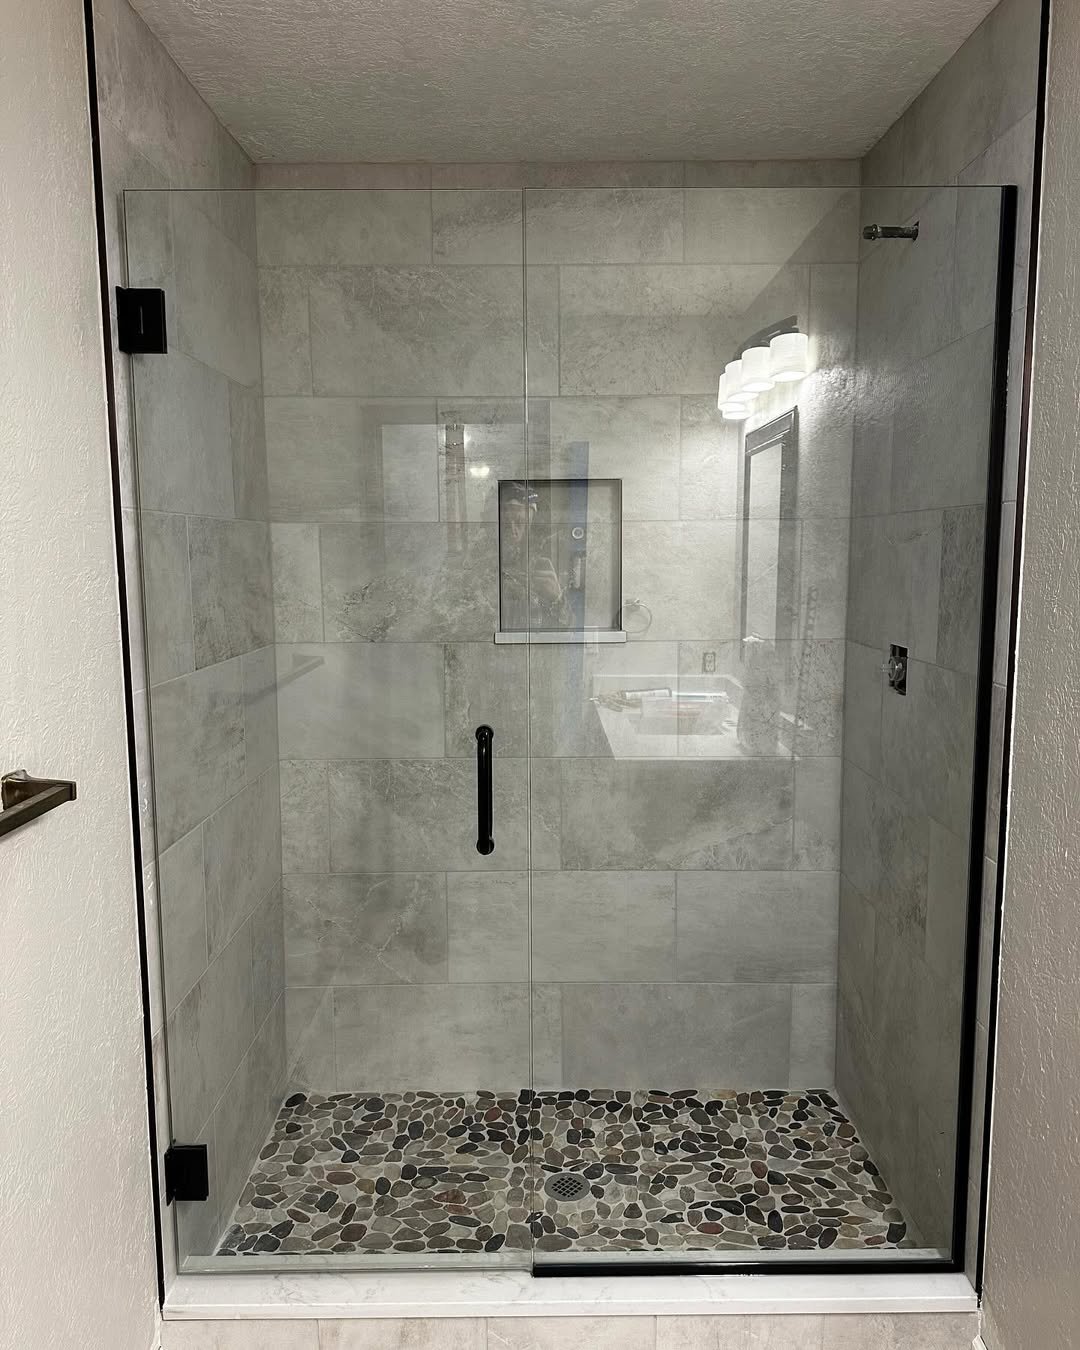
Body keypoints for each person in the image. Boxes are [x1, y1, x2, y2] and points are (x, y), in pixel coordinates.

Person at [499, 482, 573, 630]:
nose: (513, 530)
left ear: (529, 525)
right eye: (506, 524)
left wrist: (557, 598)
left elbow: (568, 628)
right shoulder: (480, 563)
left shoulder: (544, 564)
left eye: (519, 523)